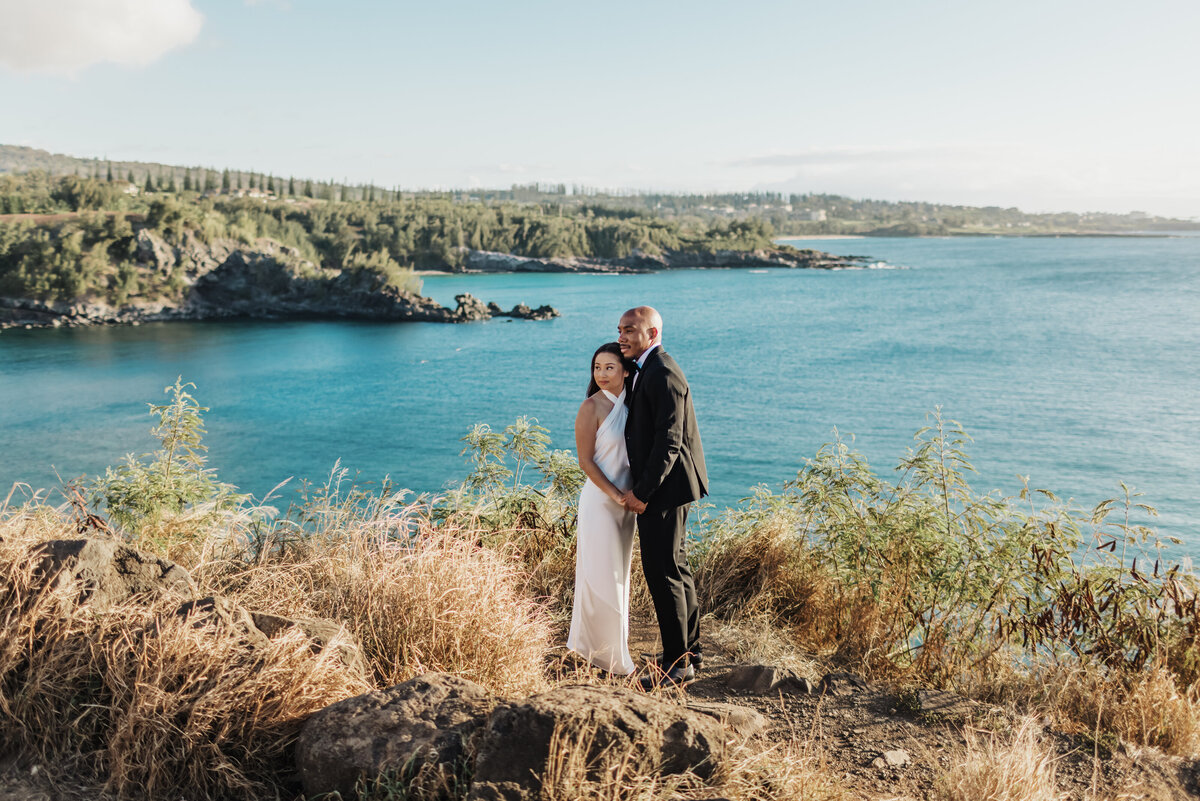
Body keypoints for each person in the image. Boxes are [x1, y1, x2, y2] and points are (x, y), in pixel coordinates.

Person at [618, 306, 707, 690]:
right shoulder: (649, 368)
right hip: (668, 487)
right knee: (676, 567)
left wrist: (642, 494)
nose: (622, 336)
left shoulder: (664, 372)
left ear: (652, 334)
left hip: (664, 490)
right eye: (620, 330)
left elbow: (669, 441)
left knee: (663, 572)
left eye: (630, 330)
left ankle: (676, 664)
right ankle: (688, 653)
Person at [566, 342, 638, 675]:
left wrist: (631, 497)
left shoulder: (635, 403)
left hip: (627, 503)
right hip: (601, 501)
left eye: (610, 367)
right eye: (597, 368)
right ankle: (601, 654)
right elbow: (585, 462)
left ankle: (613, 647)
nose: (602, 374)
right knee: (600, 576)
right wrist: (616, 495)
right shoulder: (590, 407)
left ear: (625, 370)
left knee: (619, 576)